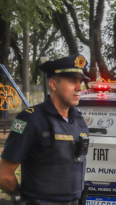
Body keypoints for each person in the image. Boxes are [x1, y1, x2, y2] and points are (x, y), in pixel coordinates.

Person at [0, 54, 90, 205]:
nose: (79, 88)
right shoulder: (30, 119)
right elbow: (4, 174)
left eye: (81, 82)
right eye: (72, 81)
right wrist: (22, 198)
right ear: (53, 85)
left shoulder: (79, 120)